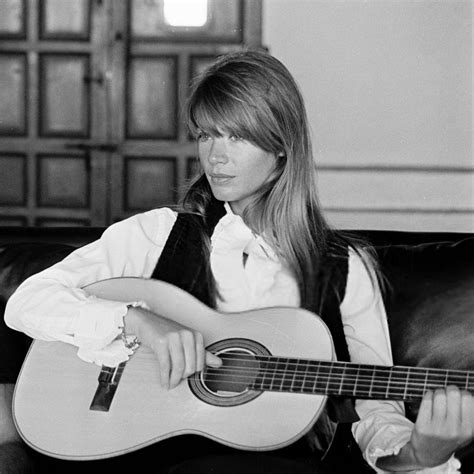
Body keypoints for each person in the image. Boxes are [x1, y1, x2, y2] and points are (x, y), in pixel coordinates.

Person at [4, 50, 473, 473]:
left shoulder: (347, 269)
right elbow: (26, 301)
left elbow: (377, 415)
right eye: (207, 134)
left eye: (238, 136)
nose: (216, 155)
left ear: (281, 147)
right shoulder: (157, 233)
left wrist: (419, 454)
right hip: (148, 452)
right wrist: (136, 322)